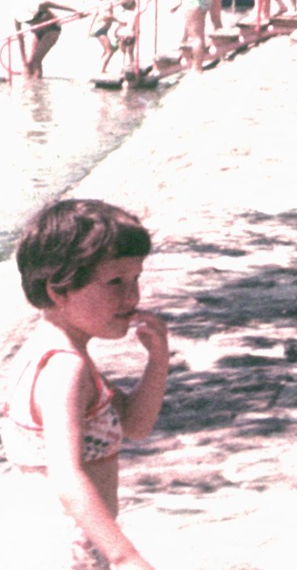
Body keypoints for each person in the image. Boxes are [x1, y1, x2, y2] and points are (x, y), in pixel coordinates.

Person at [0, 199, 170, 570]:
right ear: (59, 290)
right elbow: (67, 475)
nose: (132, 296)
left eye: (135, 278)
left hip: (34, 539)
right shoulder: (67, 369)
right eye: (114, 282)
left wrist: (158, 362)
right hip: (68, 550)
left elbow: (134, 425)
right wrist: (125, 556)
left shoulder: (45, 351)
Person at [15, 0, 82, 78]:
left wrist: (76, 11)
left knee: (36, 59)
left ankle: (37, 84)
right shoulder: (17, 19)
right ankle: (30, 84)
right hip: (38, 33)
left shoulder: (42, 5)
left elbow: (61, 6)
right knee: (30, 64)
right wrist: (24, 61)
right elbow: (20, 40)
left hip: (52, 29)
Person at [88, 0, 117, 73]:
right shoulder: (108, 3)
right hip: (101, 30)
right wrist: (119, 20)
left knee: (108, 49)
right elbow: (107, 16)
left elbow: (95, 16)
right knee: (110, 50)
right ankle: (102, 70)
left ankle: (99, 67)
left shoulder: (100, 4)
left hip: (100, 29)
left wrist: (89, 29)